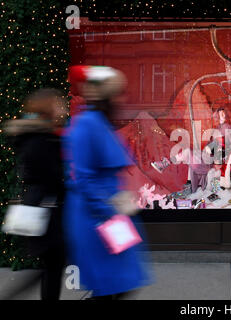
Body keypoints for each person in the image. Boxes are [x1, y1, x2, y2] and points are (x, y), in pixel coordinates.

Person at [65, 65, 150, 299]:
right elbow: (83, 178)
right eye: (119, 92)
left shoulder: (97, 123)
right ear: (108, 96)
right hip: (96, 219)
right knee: (115, 284)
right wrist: (111, 209)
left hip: (107, 216)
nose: (123, 98)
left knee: (119, 283)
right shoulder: (88, 124)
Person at [3, 88, 68, 300]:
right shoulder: (41, 139)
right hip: (45, 211)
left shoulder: (35, 136)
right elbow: (52, 176)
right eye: (57, 104)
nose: (62, 108)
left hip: (38, 207)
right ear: (47, 107)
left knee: (50, 265)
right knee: (52, 265)